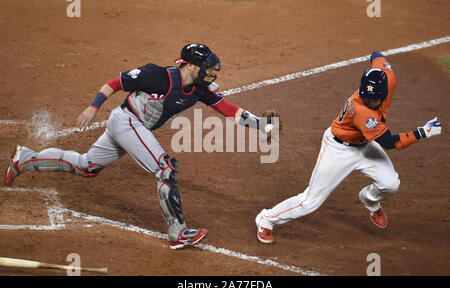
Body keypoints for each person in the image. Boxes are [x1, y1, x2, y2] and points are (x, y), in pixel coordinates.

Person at [5, 43, 279, 249]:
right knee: (165, 169)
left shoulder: (199, 89)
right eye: (205, 67)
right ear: (190, 66)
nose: (209, 72)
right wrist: (93, 107)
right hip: (125, 122)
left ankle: (27, 159)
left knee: (87, 166)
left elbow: (228, 109)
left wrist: (262, 125)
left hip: (134, 128)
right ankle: (178, 233)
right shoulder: (157, 75)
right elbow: (116, 82)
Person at [255, 51, 442, 244]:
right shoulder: (361, 111)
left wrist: (377, 57)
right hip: (338, 150)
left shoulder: (388, 78)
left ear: (384, 91)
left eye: (373, 99)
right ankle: (266, 219)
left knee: (390, 184)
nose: (369, 101)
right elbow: (390, 143)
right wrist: (422, 132)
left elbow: (377, 56)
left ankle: (369, 200)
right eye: (366, 97)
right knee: (310, 201)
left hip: (365, 145)